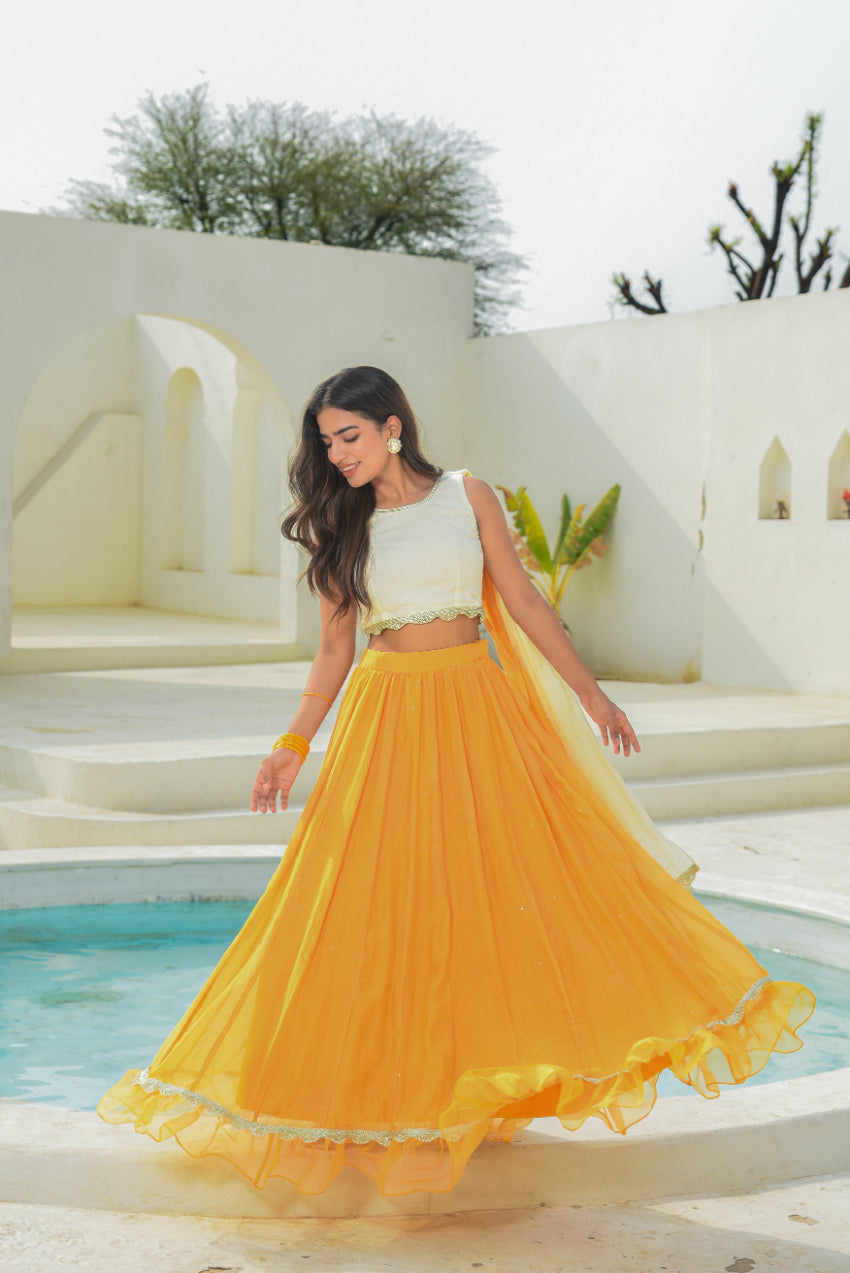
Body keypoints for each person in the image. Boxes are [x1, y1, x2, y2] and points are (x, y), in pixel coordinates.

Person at [98, 365, 815, 1198]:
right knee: (372, 904)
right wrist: (292, 741)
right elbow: (334, 649)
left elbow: (522, 599)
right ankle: (381, 1097)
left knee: (511, 889)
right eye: (327, 443)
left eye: (350, 436)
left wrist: (592, 693)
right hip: (387, 716)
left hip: (479, 706)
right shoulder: (344, 524)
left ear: (393, 425)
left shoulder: (468, 493)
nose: (337, 456)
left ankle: (489, 1076)